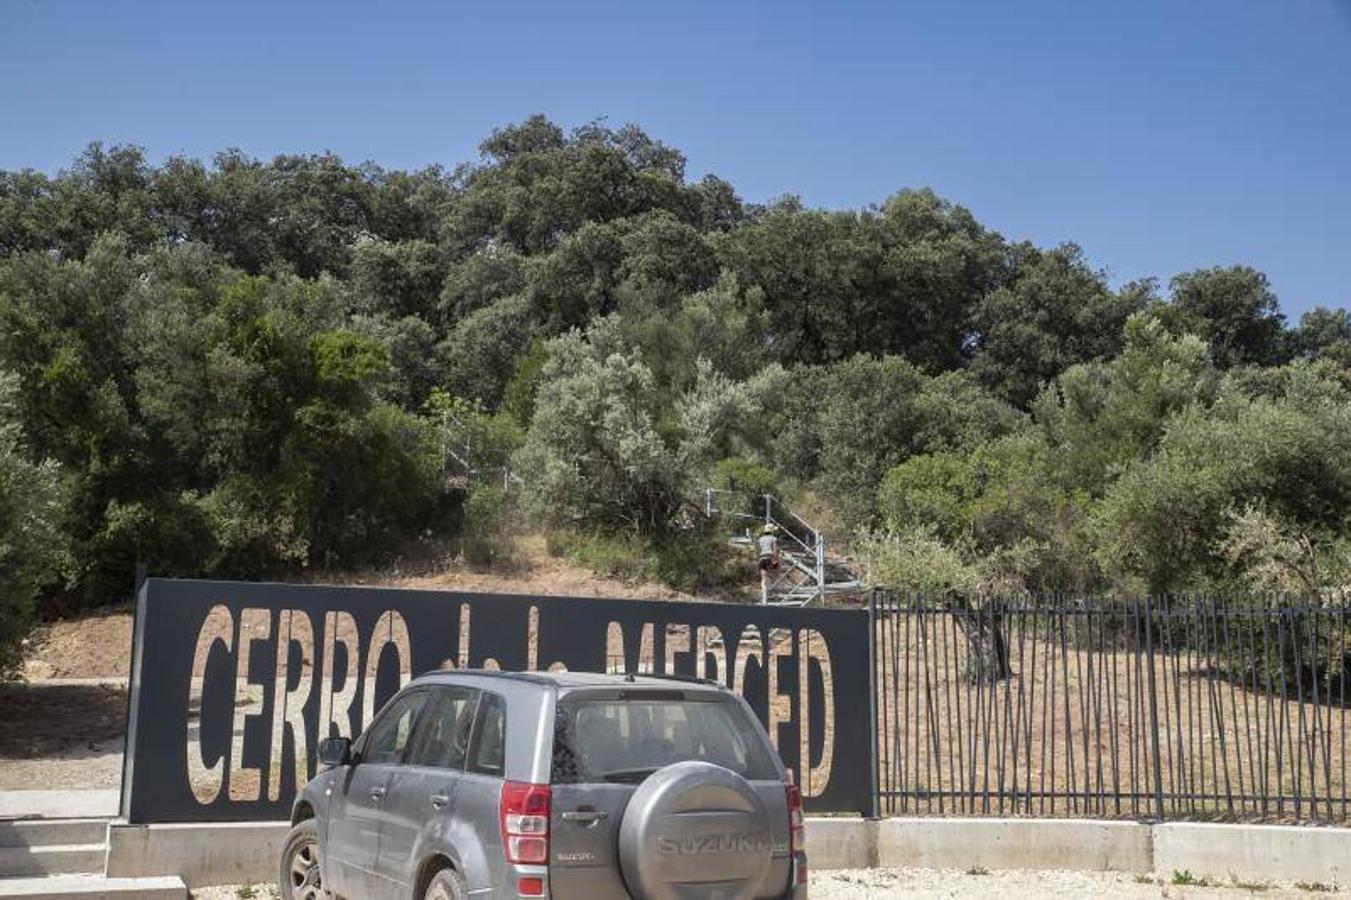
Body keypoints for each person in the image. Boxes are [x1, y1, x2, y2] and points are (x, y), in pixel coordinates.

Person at [756, 524, 780, 603]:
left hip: (762, 558)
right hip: (770, 557)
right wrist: (776, 559)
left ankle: (764, 597)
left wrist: (759, 560)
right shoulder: (773, 538)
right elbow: (775, 549)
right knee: (775, 573)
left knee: (764, 578)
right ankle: (771, 589)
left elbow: (758, 550)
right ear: (772, 531)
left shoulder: (760, 539)